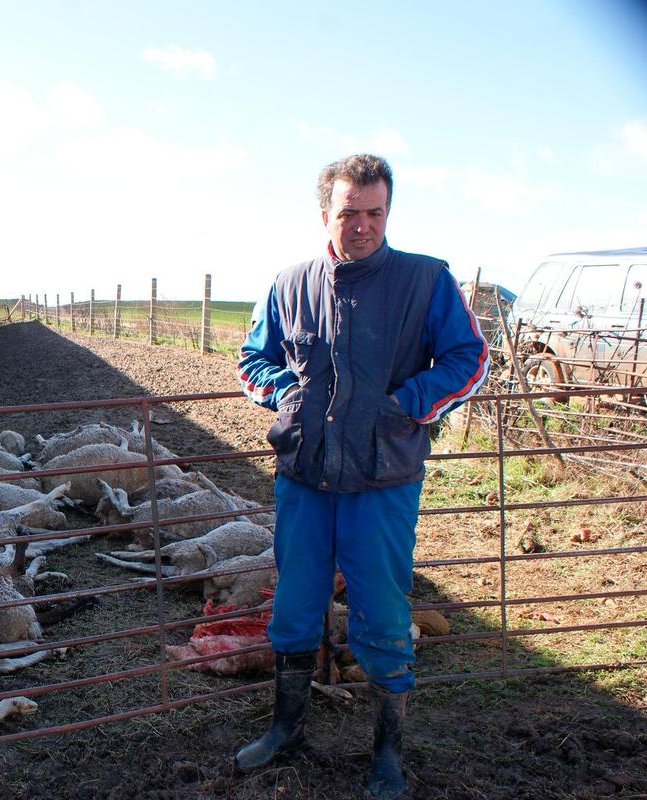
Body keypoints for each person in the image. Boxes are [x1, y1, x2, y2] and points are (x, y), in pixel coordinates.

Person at [234, 154, 490, 799]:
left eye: (375, 212)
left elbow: (469, 356)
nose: (364, 226)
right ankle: (286, 727)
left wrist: (407, 404)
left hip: (384, 477)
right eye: (350, 213)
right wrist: (286, 396)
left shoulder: (425, 280)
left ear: (387, 213)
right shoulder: (290, 283)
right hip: (305, 474)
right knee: (295, 605)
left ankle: (387, 753)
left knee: (380, 607)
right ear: (326, 214)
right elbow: (252, 360)